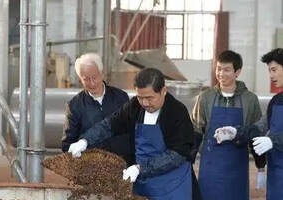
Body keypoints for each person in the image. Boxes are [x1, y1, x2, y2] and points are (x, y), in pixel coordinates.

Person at [68, 68, 202, 200]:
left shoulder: (177, 112)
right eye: (140, 97)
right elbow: (109, 125)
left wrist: (140, 168)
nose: (144, 103)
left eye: (149, 98)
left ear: (163, 91)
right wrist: (85, 140)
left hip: (172, 185)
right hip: (143, 182)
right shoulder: (135, 107)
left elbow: (177, 155)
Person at [191, 50, 266, 200]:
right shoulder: (205, 97)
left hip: (237, 166)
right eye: (218, 68)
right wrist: (191, 159)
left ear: (237, 72)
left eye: (227, 70)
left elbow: (255, 133)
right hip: (210, 166)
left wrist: (261, 166)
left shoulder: (250, 100)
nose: (221, 74)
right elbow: (196, 130)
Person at [214, 48, 283, 200]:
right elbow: (259, 127)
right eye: (269, 70)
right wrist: (235, 132)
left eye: (274, 70)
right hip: (277, 176)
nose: (271, 75)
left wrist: (273, 141)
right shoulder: (276, 101)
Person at [61, 53, 129, 158]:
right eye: (86, 79)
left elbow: (130, 132)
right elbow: (67, 145)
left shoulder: (121, 97)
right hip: (90, 168)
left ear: (102, 73)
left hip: (120, 165)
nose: (92, 83)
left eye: (94, 77)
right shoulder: (75, 106)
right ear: (80, 79)